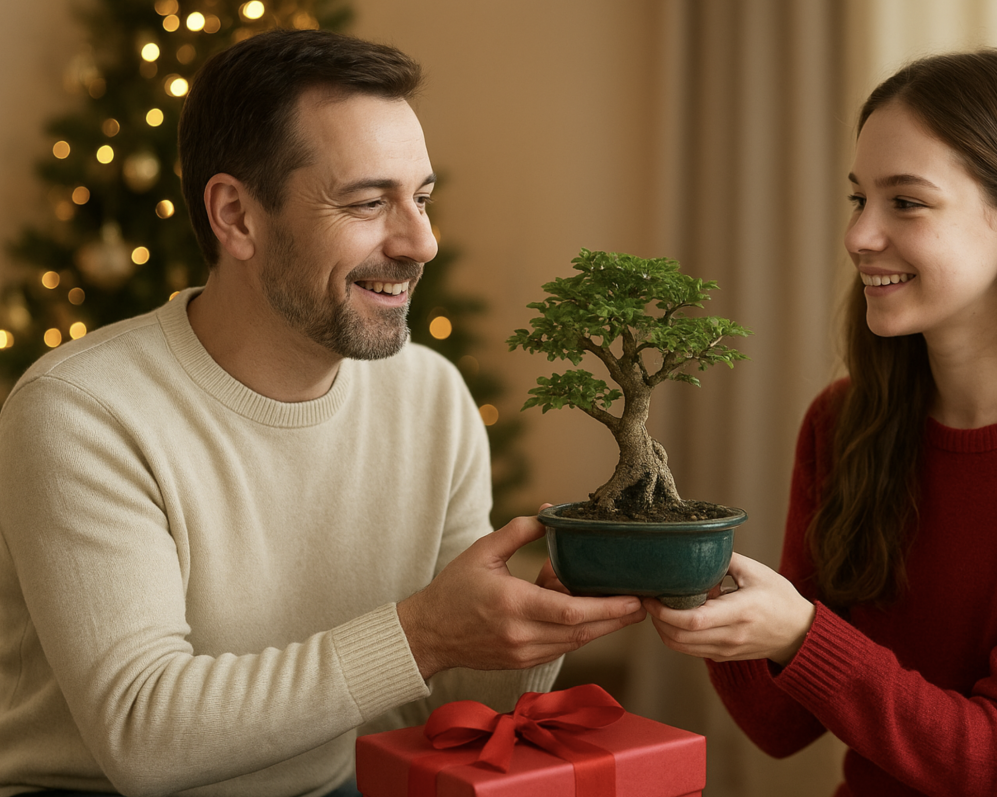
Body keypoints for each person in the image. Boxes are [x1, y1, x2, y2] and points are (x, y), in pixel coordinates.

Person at [0, 29, 645, 797]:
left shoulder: (432, 396)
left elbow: (451, 702)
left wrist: (546, 616)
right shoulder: (83, 411)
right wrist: (424, 628)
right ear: (236, 216)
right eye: (369, 202)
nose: (422, 243)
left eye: (423, 198)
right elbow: (144, 737)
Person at [645, 48, 997, 796]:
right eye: (858, 199)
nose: (859, 236)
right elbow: (781, 726)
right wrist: (690, 586)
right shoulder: (843, 424)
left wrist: (802, 631)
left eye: (905, 202)